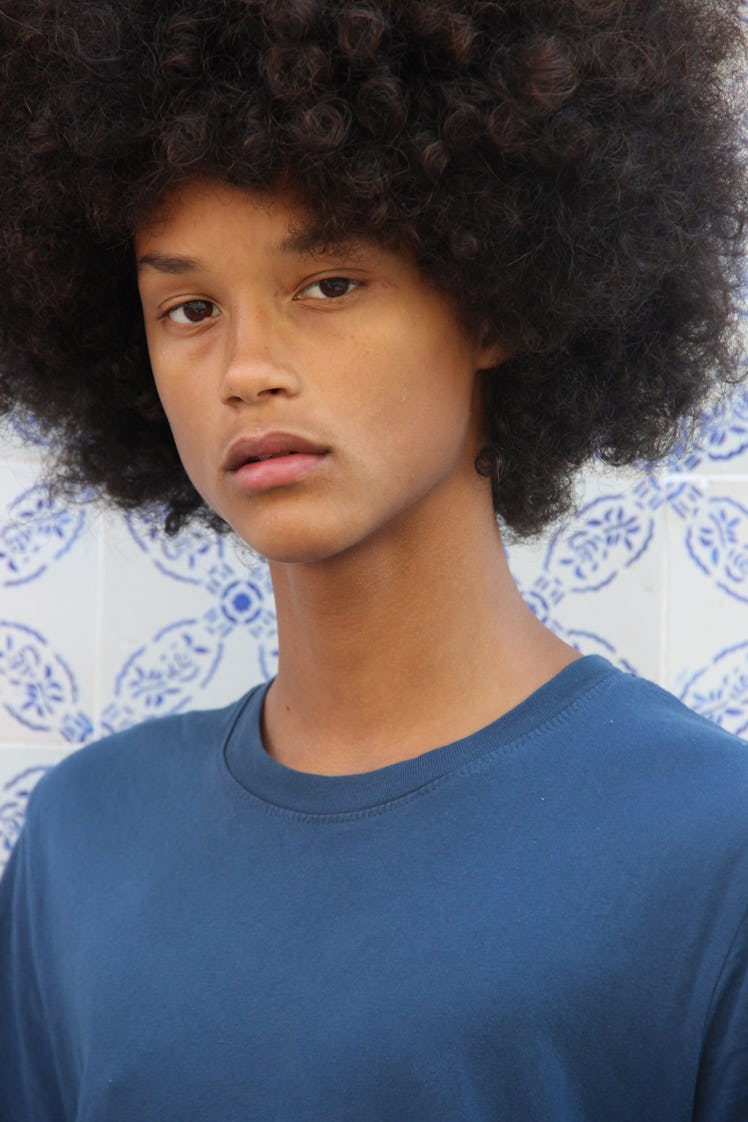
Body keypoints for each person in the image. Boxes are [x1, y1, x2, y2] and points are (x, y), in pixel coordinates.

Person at [0, 1, 746, 1118]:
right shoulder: (82, 842)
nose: (246, 369)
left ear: (493, 301)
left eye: (329, 286)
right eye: (189, 307)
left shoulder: (712, 849)